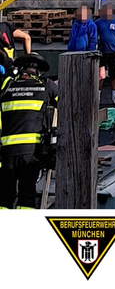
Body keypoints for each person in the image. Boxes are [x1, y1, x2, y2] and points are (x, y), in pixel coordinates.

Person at [0, 52, 58, 209]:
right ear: (38, 71)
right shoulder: (46, 85)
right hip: (31, 153)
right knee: (27, 197)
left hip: (6, 153)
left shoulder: (7, 86)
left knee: (4, 198)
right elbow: (65, 103)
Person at [96, 3, 115, 105]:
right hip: (102, 52)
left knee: (114, 75)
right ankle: (97, 97)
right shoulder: (98, 22)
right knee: (100, 75)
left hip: (113, 52)